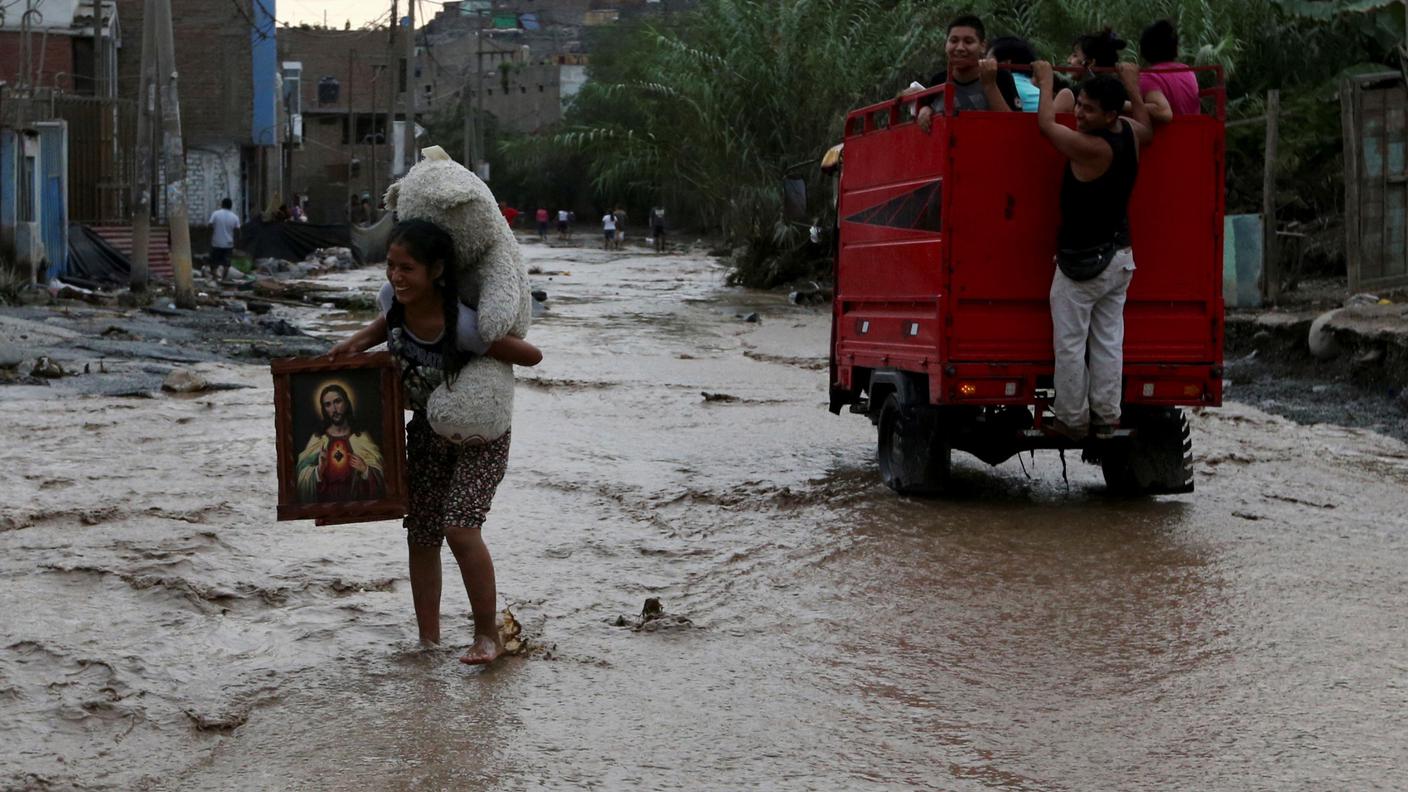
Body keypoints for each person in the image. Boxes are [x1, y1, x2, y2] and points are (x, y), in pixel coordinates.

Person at [327, 219, 543, 665]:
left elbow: (531, 355)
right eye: (390, 266)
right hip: (426, 430)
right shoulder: (395, 303)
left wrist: (490, 343)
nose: (396, 277)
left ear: (436, 271)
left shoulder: (463, 327)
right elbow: (382, 327)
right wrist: (350, 348)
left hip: (480, 438)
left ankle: (487, 637)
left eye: (407, 268)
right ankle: (429, 642)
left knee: (461, 528)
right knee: (422, 534)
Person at [1033, 60, 1152, 440]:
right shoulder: (1129, 133)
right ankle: (1106, 416)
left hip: (1084, 260)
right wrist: (1132, 84)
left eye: (1088, 109)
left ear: (1110, 115)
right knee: (1107, 341)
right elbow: (1148, 127)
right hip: (1119, 255)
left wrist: (1047, 81)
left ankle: (1070, 419)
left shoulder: (1090, 147)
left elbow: (1046, 126)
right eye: (1079, 104)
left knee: (1070, 342)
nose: (1079, 113)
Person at [916, 15, 1017, 134]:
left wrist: (990, 85)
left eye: (968, 41)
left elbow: (1013, 127)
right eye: (953, 41)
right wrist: (925, 110)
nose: (959, 48)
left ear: (983, 46)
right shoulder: (939, 80)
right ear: (946, 44)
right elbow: (927, 109)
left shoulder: (1000, 77)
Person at [296, 384, 387, 503]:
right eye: (328, 405)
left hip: (356, 502)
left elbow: (382, 475)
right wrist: (319, 470)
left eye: (337, 401)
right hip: (326, 503)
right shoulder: (318, 439)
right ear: (324, 409)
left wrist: (365, 469)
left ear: (346, 403)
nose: (334, 409)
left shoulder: (361, 437)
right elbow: (301, 477)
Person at [1051, 28, 1127, 115]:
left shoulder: (1067, 95)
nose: (1069, 60)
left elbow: (1048, 125)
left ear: (1090, 63)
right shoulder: (1123, 95)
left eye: (1075, 55)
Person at [1138, 19, 1200, 122]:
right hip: (1196, 133)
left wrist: (1126, 105)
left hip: (1168, 136)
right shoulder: (1188, 71)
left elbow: (1160, 111)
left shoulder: (1148, 77)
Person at [987, 36, 1040, 113]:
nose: (983, 64)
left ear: (1006, 63)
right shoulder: (1033, 88)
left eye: (988, 60)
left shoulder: (1008, 86)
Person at [207, 198, 241, 281]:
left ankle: (215, 278)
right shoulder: (235, 217)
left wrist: (210, 236)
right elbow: (238, 231)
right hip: (228, 244)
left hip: (216, 242)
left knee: (214, 262)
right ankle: (224, 279)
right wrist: (236, 242)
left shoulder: (216, 214)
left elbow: (210, 225)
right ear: (231, 206)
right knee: (226, 263)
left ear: (222, 204)